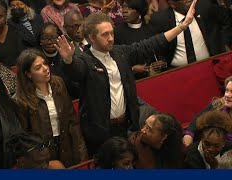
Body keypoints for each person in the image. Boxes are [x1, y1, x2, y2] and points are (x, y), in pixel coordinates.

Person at [55, 0, 197, 155]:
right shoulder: (84, 60)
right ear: (92, 38)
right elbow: (75, 71)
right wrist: (68, 60)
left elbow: (151, 44)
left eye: (112, 33)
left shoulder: (120, 52)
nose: (110, 38)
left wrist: (182, 26)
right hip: (100, 132)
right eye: (105, 35)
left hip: (126, 126)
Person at [14, 48, 88, 167]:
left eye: (45, 63)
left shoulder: (58, 83)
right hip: (42, 153)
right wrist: (43, 162)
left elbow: (72, 121)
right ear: (28, 74)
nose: (45, 69)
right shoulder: (20, 100)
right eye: (38, 68)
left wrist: (81, 151)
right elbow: (25, 138)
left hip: (66, 144)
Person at [148, 0, 232, 68]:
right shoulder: (160, 19)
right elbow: (156, 45)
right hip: (177, 71)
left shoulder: (206, 7)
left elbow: (226, 20)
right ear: (172, 3)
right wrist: (163, 61)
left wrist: (224, 42)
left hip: (210, 64)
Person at [115, 0, 167, 79]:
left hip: (154, 77)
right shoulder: (117, 32)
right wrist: (132, 69)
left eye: (130, 8)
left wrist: (162, 62)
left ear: (139, 12)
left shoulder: (151, 29)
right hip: (131, 80)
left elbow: (160, 51)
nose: (124, 11)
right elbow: (116, 59)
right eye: (123, 7)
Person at [183, 76, 232, 147]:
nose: (227, 95)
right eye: (227, 90)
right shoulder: (217, 104)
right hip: (212, 146)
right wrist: (189, 134)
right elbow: (199, 118)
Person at [39, 23, 80, 99]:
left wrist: (68, 60)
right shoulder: (36, 59)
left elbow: (76, 81)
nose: (49, 42)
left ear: (60, 38)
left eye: (53, 37)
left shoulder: (67, 54)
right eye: (44, 38)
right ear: (40, 41)